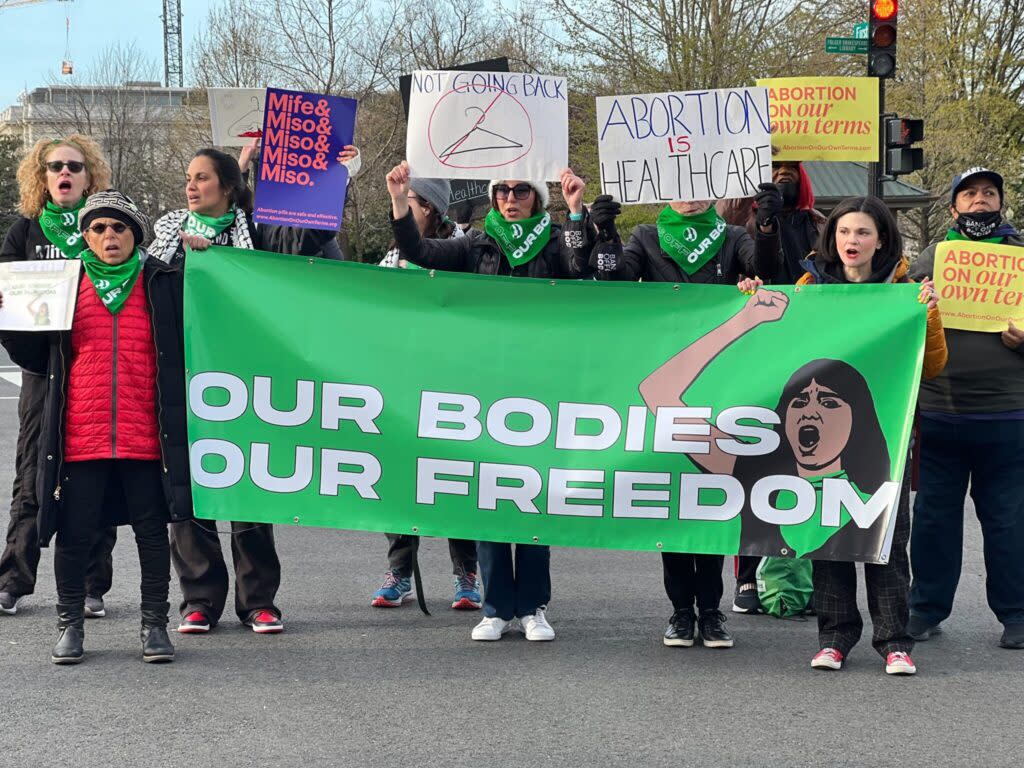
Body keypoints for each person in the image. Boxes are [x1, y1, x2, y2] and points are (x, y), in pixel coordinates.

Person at [385, 159, 594, 641]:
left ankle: (534, 607)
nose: (510, 199)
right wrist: (400, 200)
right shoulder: (477, 243)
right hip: (486, 385)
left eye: (521, 191)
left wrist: (577, 211)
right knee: (492, 494)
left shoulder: (559, 238)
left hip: (543, 383)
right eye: (502, 190)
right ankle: (496, 608)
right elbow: (417, 250)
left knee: (536, 494)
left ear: (538, 198)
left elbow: (581, 269)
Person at [737, 195, 943, 674]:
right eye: (845, 232)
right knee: (828, 540)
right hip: (821, 443)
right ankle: (834, 637)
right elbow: (776, 345)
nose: (853, 241)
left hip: (883, 438)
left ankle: (894, 642)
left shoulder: (907, 290)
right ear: (832, 238)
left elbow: (932, 366)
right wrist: (749, 298)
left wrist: (929, 315)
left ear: (882, 240)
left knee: (886, 540)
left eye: (864, 232)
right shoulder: (809, 289)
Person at [0, 190, 192, 664]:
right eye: (99, 228)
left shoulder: (162, 281)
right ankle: (70, 626)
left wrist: (204, 257)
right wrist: (9, 318)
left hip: (145, 433)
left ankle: (154, 626)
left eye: (120, 228)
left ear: (136, 235)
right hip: (79, 436)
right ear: (85, 235)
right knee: (75, 533)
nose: (110, 236)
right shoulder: (63, 282)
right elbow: (34, 358)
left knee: (151, 534)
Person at [587, 186, 781, 650]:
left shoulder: (733, 236)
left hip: (722, 381)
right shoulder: (647, 236)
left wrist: (769, 226)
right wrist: (606, 233)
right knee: (674, 502)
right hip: (668, 376)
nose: (690, 199)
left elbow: (770, 273)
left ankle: (712, 611)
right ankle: (679, 610)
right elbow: (612, 280)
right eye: (680, 190)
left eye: (699, 190)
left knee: (712, 500)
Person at [907, 167, 1024, 650]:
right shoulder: (933, 257)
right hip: (940, 413)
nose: (980, 201)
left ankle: (1016, 615)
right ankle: (925, 609)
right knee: (934, 518)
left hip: (1008, 415)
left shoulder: (1020, 259)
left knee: (1009, 519)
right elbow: (899, 319)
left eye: (989, 194)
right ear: (954, 208)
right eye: (970, 194)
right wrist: (919, 302)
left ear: (1001, 204)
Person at [0, 135, 117, 619]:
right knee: (31, 476)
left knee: (97, 477)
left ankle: (93, 586)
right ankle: (12, 580)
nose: (64, 173)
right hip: (42, 372)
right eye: (54, 167)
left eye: (74, 165)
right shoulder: (26, 230)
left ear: (90, 176)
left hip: (95, 369)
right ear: (42, 177)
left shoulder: (108, 228)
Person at [718, 161, 827, 613]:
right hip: (754, 356)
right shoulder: (734, 225)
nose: (781, 177)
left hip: (805, 354)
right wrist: (765, 222)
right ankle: (746, 575)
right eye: (773, 169)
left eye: (789, 170)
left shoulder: (820, 226)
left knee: (807, 468)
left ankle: (803, 573)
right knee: (753, 463)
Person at [372, 176, 481, 610]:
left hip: (455, 382)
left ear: (431, 208)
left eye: (410, 201)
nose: (401, 207)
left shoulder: (467, 247)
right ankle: (399, 571)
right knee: (402, 477)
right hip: (404, 381)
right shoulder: (394, 255)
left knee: (456, 477)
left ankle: (466, 574)